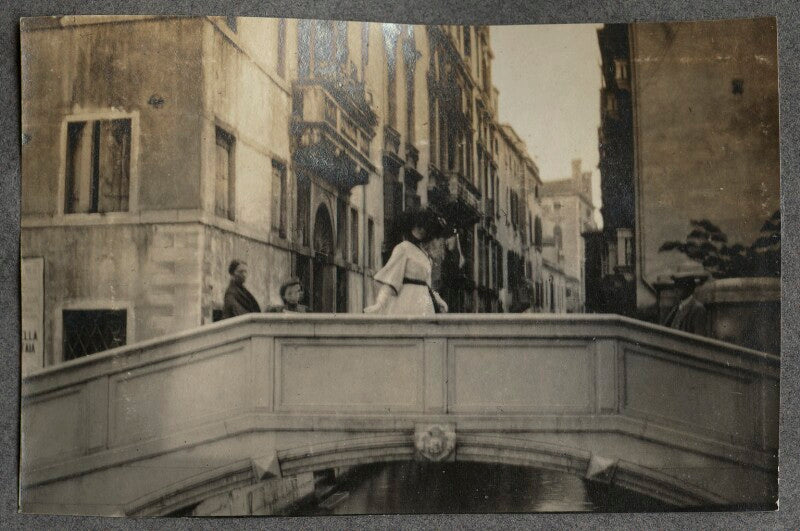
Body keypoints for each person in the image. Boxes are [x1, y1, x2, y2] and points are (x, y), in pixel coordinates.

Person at [364, 208, 448, 316]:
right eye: (418, 228)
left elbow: (427, 284)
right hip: (407, 302)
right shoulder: (403, 248)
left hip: (424, 303)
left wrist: (437, 299)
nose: (421, 231)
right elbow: (391, 280)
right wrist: (379, 304)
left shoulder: (425, 255)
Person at [663, 261, 709, 336]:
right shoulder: (676, 308)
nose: (676, 289)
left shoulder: (698, 309)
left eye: (681, 285)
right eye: (676, 284)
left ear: (690, 287)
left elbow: (700, 341)